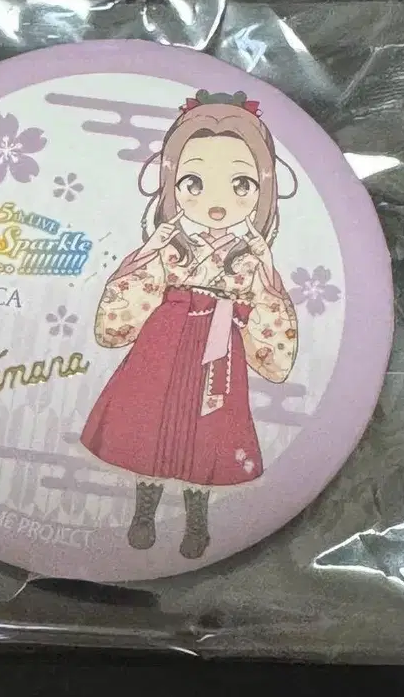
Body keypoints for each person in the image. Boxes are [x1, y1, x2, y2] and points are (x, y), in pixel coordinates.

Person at [81, 89, 299, 558]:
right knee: (151, 421)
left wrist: (263, 273)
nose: (217, 202)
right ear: (172, 183)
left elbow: (269, 319)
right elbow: (127, 304)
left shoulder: (252, 255)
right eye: (195, 182)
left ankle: (197, 520)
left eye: (240, 184)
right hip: (165, 342)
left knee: (209, 430)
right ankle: (144, 511)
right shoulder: (169, 244)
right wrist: (149, 252)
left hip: (219, 351)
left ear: (263, 189)